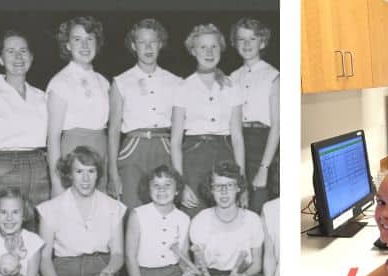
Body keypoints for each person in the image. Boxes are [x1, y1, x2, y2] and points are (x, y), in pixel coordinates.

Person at [38, 146, 126, 276]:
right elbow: (44, 258)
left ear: (98, 174)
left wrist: (105, 275)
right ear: (69, 174)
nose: (85, 179)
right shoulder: (51, 208)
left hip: (100, 272)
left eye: (91, 171)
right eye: (79, 172)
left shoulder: (113, 206)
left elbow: (118, 254)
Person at [187, 160, 275, 276]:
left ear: (238, 188)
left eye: (229, 185)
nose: (224, 192)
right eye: (218, 186)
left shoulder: (252, 220)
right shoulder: (201, 219)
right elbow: (200, 265)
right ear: (211, 189)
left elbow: (256, 264)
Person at [107, 19, 181, 209]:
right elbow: (114, 129)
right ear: (133, 46)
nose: (148, 48)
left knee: (164, 208)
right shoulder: (121, 81)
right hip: (133, 148)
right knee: (133, 210)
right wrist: (113, 173)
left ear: (160, 44)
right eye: (142, 42)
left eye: (153, 42)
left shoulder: (175, 81)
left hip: (164, 146)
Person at [172, 24, 244, 216]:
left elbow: (237, 137)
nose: (209, 52)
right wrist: (182, 183)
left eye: (214, 46)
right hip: (193, 158)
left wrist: (241, 181)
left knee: (225, 217)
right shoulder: (183, 87)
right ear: (193, 51)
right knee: (195, 216)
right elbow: (175, 141)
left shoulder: (232, 86)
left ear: (221, 49)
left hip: (225, 155)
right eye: (203, 47)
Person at [124, 165, 206, 276]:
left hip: (172, 274)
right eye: (156, 185)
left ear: (177, 191)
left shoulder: (183, 218)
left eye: (168, 185)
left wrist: (187, 272)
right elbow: (130, 257)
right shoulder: (138, 215)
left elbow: (183, 258)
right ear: (149, 189)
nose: (162, 189)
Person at [46, 17, 110, 197]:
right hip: (72, 153)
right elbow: (53, 138)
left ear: (97, 43)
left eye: (90, 39)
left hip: (99, 153)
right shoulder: (60, 82)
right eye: (77, 39)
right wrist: (57, 182)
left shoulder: (103, 82)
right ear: (67, 45)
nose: (84, 45)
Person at [0, 30, 51, 207]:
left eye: (23, 51)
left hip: (39, 168)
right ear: (0, 59)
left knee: (34, 230)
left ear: (31, 57)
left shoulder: (41, 96)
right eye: (10, 51)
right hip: (3, 168)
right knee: (2, 228)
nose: (18, 57)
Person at [230, 18, 279, 214]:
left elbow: (277, 126)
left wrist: (264, 169)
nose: (247, 44)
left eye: (252, 38)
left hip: (264, 145)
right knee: (240, 207)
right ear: (235, 43)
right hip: (237, 144)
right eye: (241, 39)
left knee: (260, 207)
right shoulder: (231, 78)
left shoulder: (273, 76)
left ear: (263, 42)